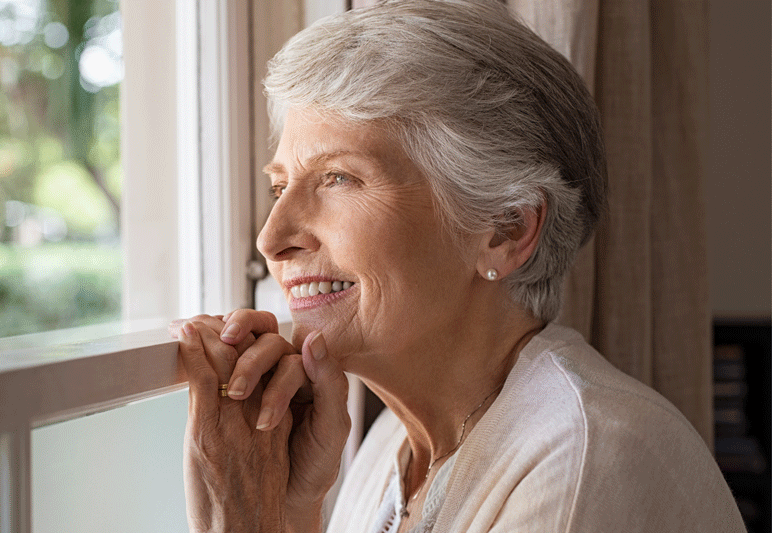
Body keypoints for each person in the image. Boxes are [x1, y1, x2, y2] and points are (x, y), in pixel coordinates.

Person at [170, 1, 746, 531]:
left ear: (505, 230)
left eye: (338, 178)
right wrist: (290, 514)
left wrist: (242, 524)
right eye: (279, 187)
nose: (272, 239)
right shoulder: (390, 446)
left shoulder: (587, 458)